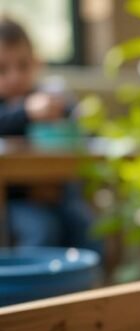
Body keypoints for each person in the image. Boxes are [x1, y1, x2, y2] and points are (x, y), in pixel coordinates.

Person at [0, 16, 100, 252]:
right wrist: (25, 112)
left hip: (58, 197)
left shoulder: (49, 99)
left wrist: (78, 117)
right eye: (2, 69)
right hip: (12, 204)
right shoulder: (16, 110)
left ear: (36, 63)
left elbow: (86, 134)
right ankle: (32, 289)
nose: (14, 76)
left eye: (22, 66)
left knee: (88, 226)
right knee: (42, 229)